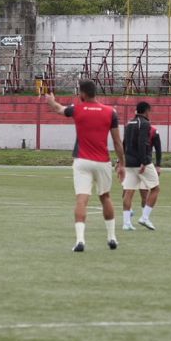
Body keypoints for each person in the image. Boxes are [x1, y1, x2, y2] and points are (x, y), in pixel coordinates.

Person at [44, 79, 126, 252]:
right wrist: (122, 164)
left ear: (82, 93)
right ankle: (112, 237)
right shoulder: (110, 112)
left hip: (82, 161)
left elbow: (59, 109)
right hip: (102, 161)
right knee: (105, 197)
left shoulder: (77, 109)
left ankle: (80, 240)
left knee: (82, 199)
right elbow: (117, 142)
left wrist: (51, 101)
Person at [121, 101, 160, 231]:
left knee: (129, 191)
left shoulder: (129, 124)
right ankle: (144, 217)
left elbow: (124, 143)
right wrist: (144, 161)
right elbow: (142, 143)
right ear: (146, 111)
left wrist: (121, 161)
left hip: (128, 162)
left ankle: (126, 223)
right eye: (150, 111)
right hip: (141, 162)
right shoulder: (145, 123)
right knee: (155, 188)